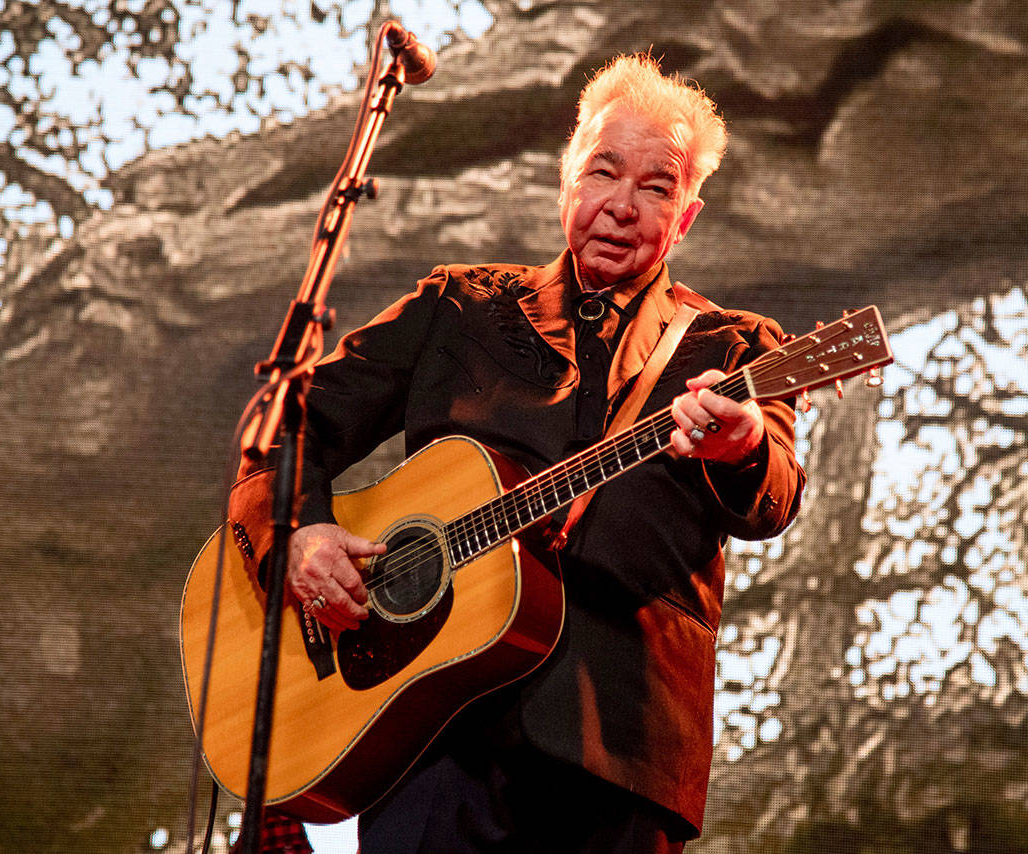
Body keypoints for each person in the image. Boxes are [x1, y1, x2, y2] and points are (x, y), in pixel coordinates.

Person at [259, 54, 806, 853]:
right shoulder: (459, 306)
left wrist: (745, 445)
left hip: (622, 748)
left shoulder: (736, 347)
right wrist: (299, 534)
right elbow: (286, 427)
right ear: (567, 182)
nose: (621, 205)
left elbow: (776, 496)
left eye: (656, 187)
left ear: (685, 217)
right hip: (437, 737)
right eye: (603, 172)